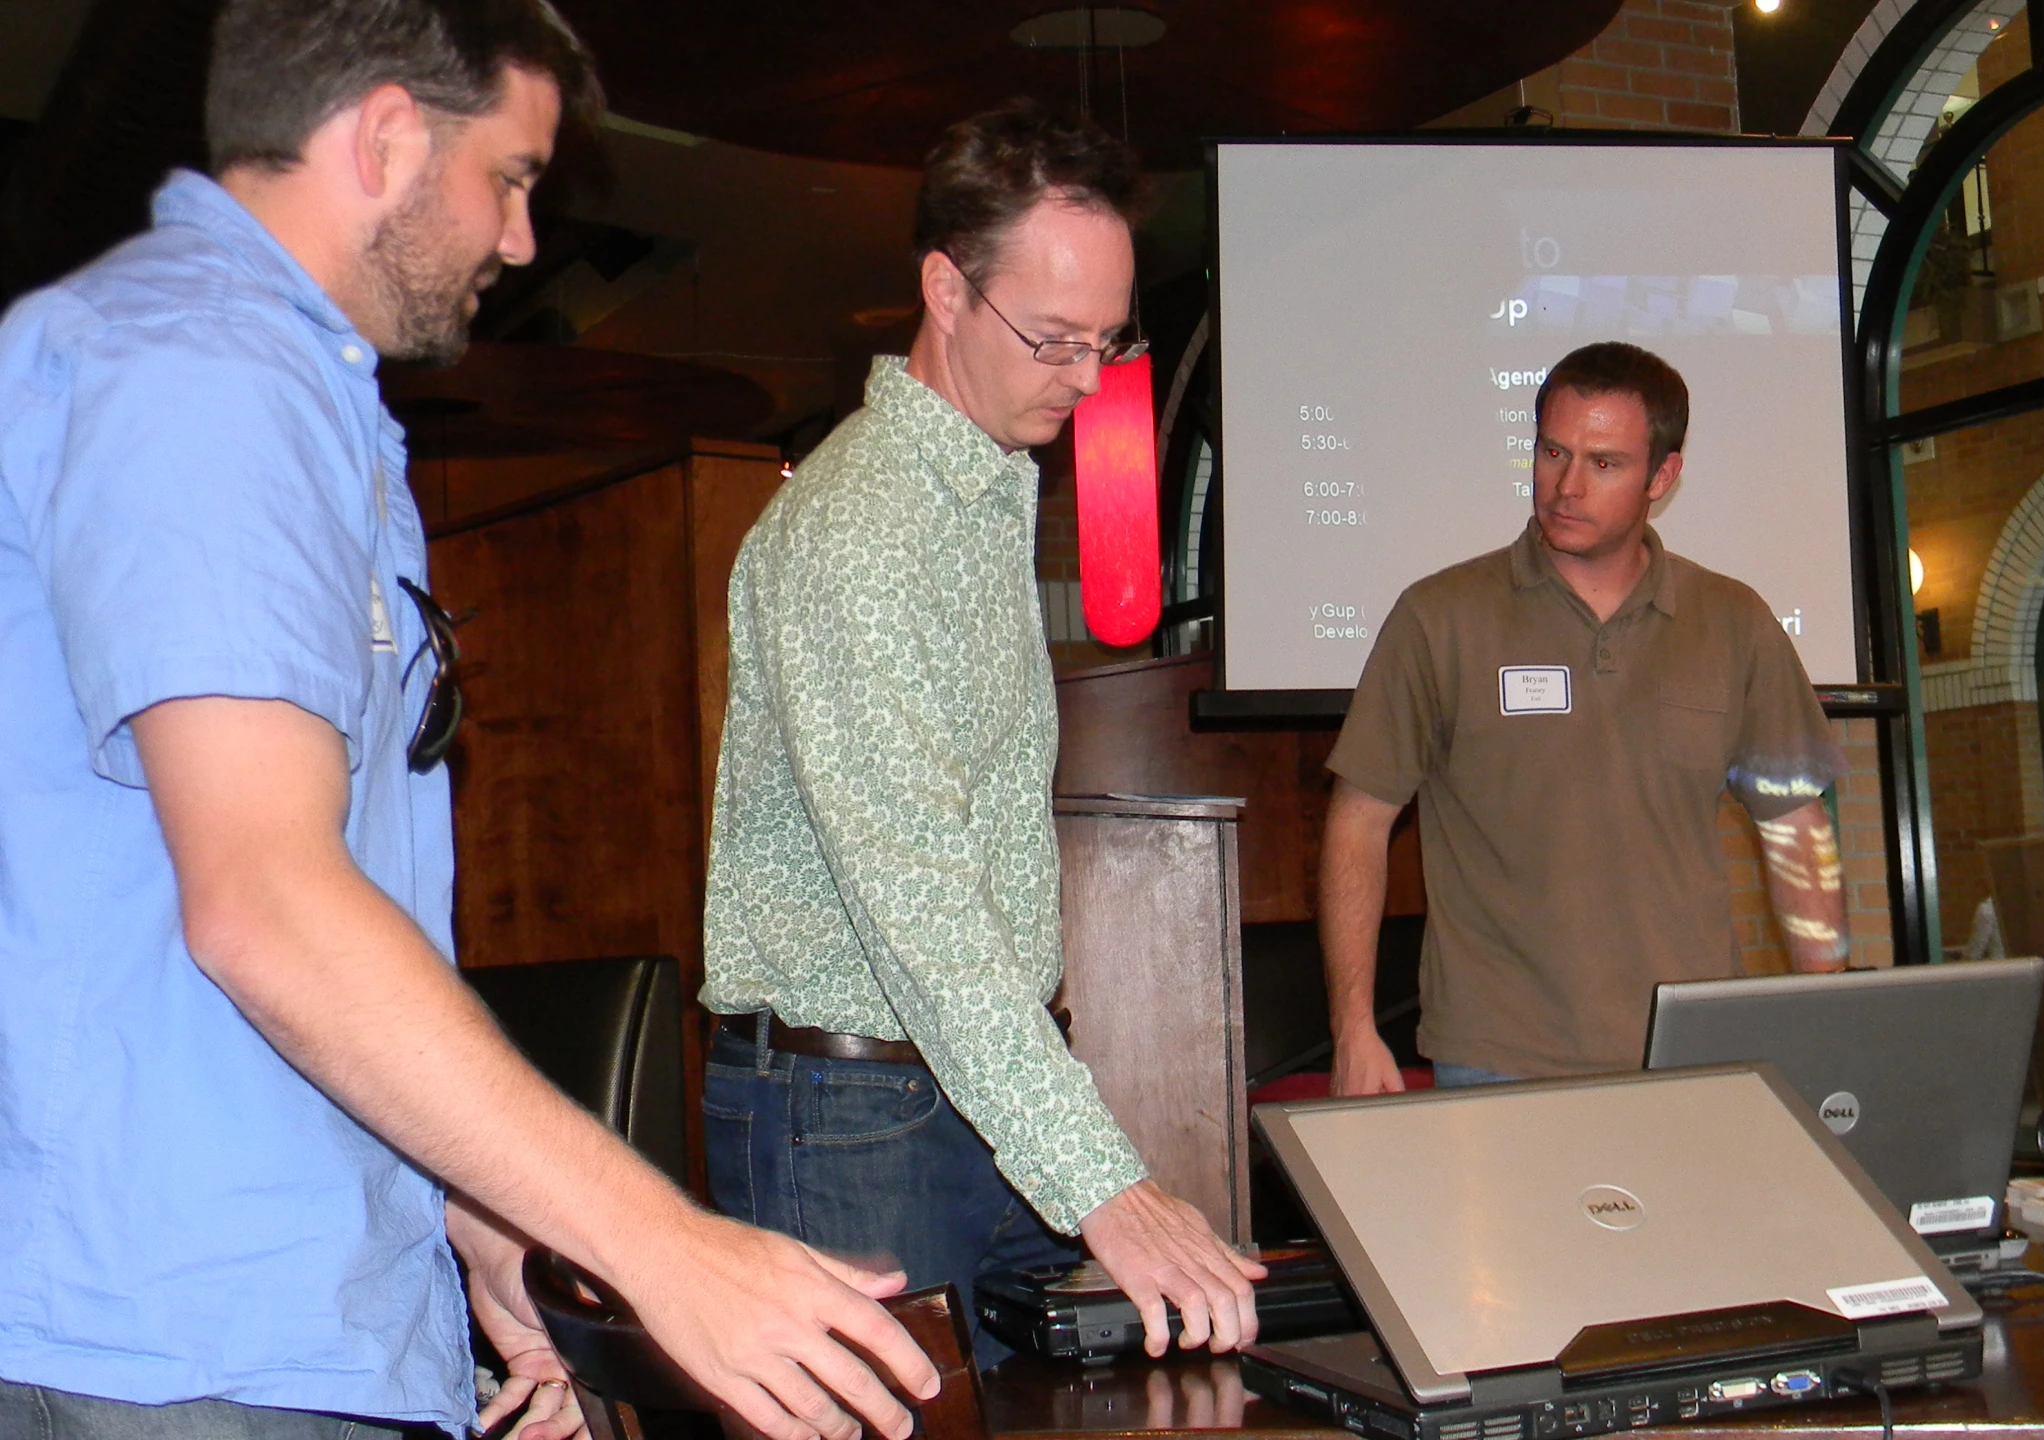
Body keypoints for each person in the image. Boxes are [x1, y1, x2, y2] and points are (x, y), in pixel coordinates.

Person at [0, 3, 939, 1437]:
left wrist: (470, 1212)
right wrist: (663, 1243)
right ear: (384, 136)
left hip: (273, 1315)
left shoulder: (294, 395)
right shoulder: (200, 369)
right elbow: (265, 905)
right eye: (507, 176)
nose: (518, 239)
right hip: (181, 1341)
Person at [698, 102, 1263, 1364]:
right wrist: (1102, 1182)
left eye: (1109, 340)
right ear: (944, 290)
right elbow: (918, 905)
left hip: (954, 1090)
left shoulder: (977, 491)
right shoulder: (863, 530)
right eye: (1053, 338)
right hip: (851, 1114)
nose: (1086, 376)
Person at [1322, 342, 1853, 1096]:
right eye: (1552, 452)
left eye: (1603, 463)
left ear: (1661, 478)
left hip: (1696, 1052)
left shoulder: (1732, 621)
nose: (1567, 486)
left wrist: (1828, 1017)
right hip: (1496, 1055)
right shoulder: (1441, 618)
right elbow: (1359, 822)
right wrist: (1353, 1025)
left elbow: (1796, 825)